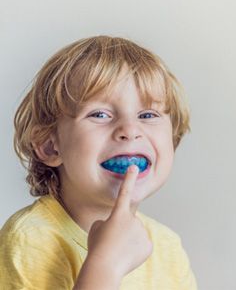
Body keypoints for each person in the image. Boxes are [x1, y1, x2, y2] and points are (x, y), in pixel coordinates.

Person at [0, 35, 198, 289]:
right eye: (100, 114)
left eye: (147, 114)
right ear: (50, 146)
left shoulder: (167, 246)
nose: (130, 129)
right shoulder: (30, 240)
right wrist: (105, 265)